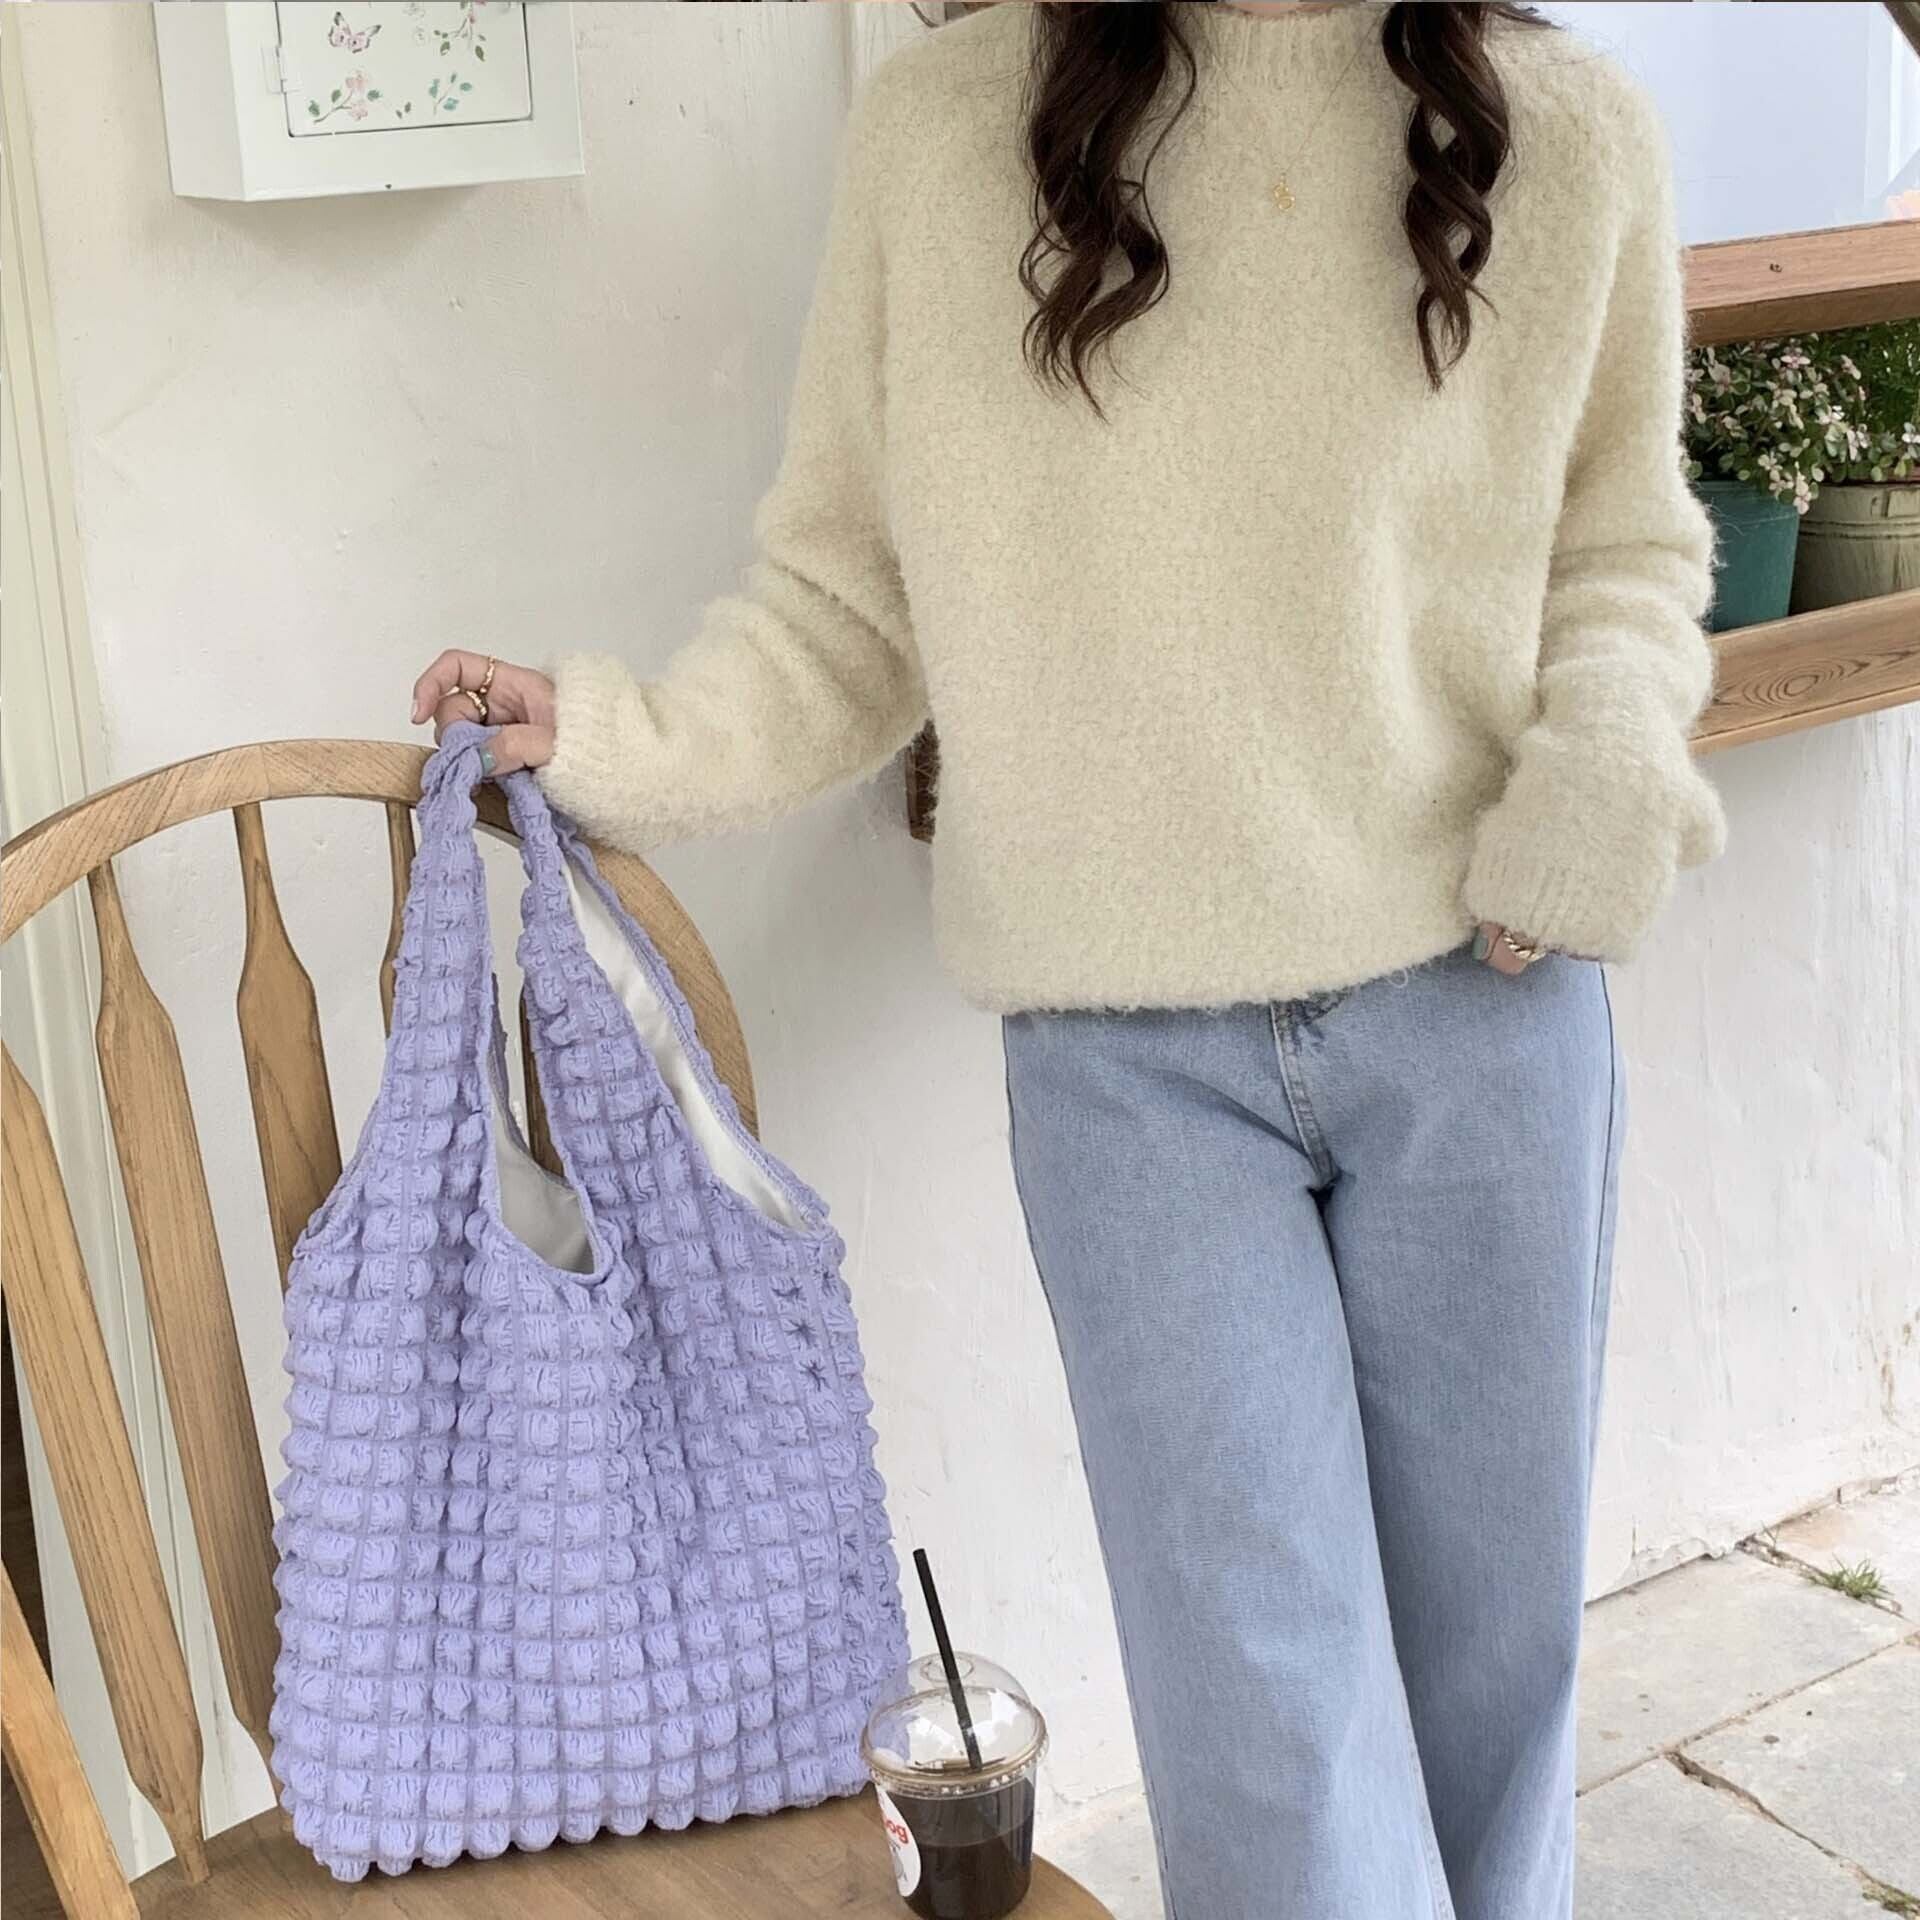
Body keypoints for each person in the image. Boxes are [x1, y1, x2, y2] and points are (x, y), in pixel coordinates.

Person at [409, 5, 1725, 1914]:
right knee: (1272, 1737)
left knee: (1489, 1697)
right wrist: (618, 737)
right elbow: (850, 596)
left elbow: (1625, 550)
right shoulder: (946, 132)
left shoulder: (1572, 133)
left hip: (1487, 1008)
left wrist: (1601, 779)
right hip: (1132, 1074)